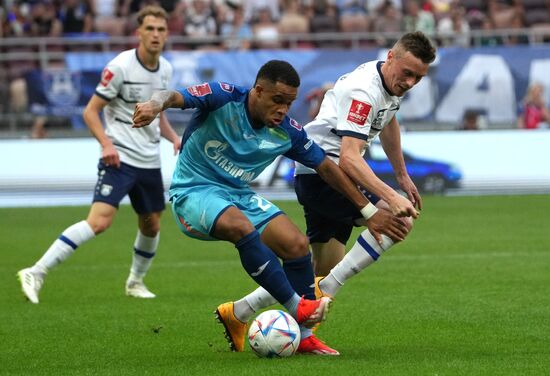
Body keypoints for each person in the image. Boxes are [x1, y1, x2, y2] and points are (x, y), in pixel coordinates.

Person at [131, 60, 404, 355]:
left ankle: (302, 336)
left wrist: (368, 212)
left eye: (289, 103)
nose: (283, 110)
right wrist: (154, 105)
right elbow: (172, 96)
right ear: (258, 91)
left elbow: (326, 167)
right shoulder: (224, 97)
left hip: (238, 195)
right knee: (241, 226)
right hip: (194, 191)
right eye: (277, 100)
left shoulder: (286, 131)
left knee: (297, 245)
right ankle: (297, 308)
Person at [217, 31, 435, 355]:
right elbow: (348, 156)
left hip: (324, 174)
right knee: (398, 222)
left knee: (316, 269)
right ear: (391, 57)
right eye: (407, 73)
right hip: (327, 175)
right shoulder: (364, 90)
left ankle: (238, 312)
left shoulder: (388, 84)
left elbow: (388, 121)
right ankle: (325, 292)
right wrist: (391, 196)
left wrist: (402, 174)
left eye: (418, 77)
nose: (411, 82)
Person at [17, 6, 181, 303]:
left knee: (152, 223)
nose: (155, 34)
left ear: (167, 34)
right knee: (100, 221)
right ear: (138, 33)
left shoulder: (166, 69)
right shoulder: (120, 67)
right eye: (150, 29)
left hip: (149, 160)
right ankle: (36, 271)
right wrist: (106, 145)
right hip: (119, 156)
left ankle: (135, 281)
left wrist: (173, 138)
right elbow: (91, 111)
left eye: (161, 29)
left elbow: (158, 113)